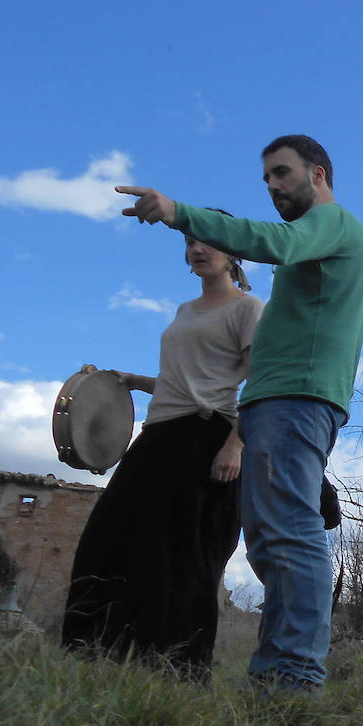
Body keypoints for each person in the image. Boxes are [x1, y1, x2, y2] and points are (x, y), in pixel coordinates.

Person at [117, 134, 363, 692]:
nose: (274, 186)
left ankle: (294, 678)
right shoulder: (313, 242)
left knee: (291, 535)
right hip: (276, 402)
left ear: (320, 174)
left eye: (283, 173)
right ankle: (276, 676)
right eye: (267, 179)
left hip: (297, 400)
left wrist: (180, 212)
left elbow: (269, 241)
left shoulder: (333, 224)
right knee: (271, 540)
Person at [62, 218, 264, 679]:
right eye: (191, 241)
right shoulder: (183, 311)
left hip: (209, 437)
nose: (197, 248)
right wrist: (134, 382)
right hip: (159, 434)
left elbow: (260, 382)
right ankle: (97, 655)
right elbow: (186, 382)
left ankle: (180, 668)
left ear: (233, 252)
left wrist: (236, 444)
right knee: (110, 538)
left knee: (186, 554)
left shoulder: (248, 308)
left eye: (208, 241)